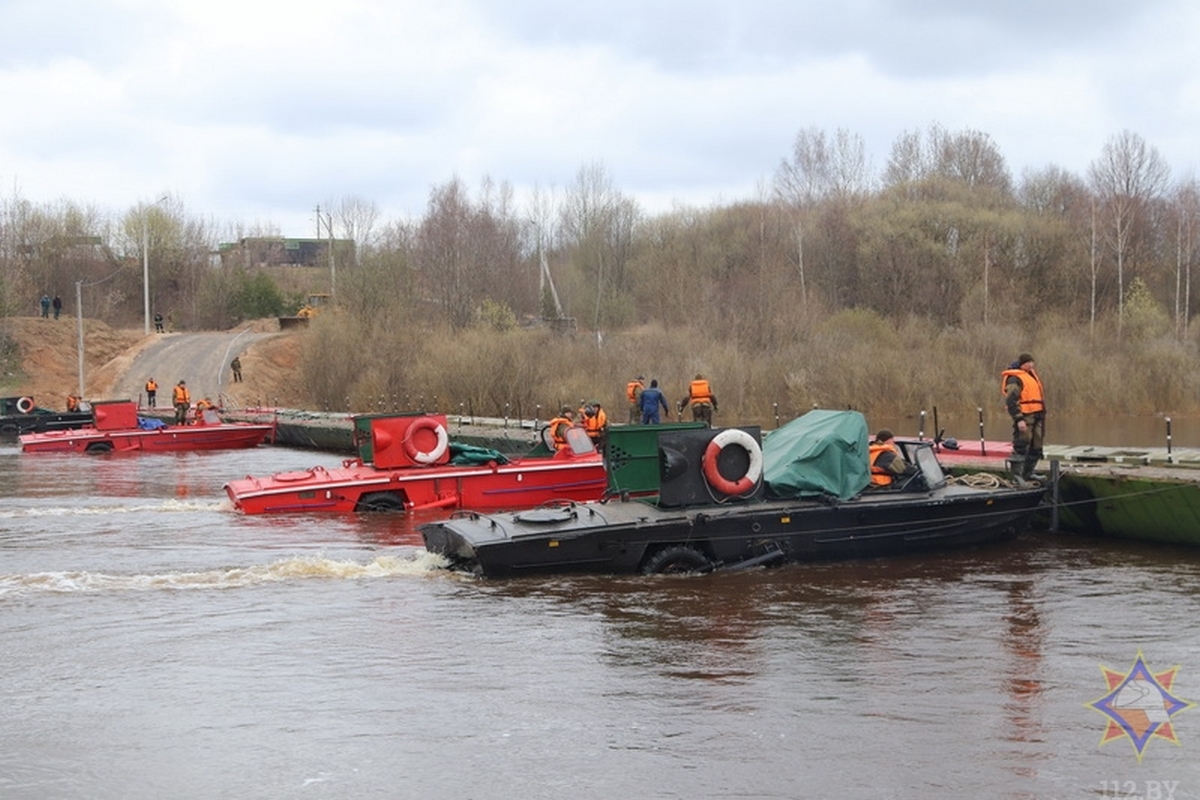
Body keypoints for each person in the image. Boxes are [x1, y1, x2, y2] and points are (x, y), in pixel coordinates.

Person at [1001, 352, 1046, 482]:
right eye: (1028, 363)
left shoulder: (1031, 376)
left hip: (1036, 415)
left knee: (1036, 445)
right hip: (1024, 415)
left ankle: (1028, 473)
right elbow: (1011, 400)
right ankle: (1017, 477)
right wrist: (1019, 419)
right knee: (1022, 443)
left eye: (1032, 362)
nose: (1032, 365)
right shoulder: (1015, 378)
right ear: (1023, 364)